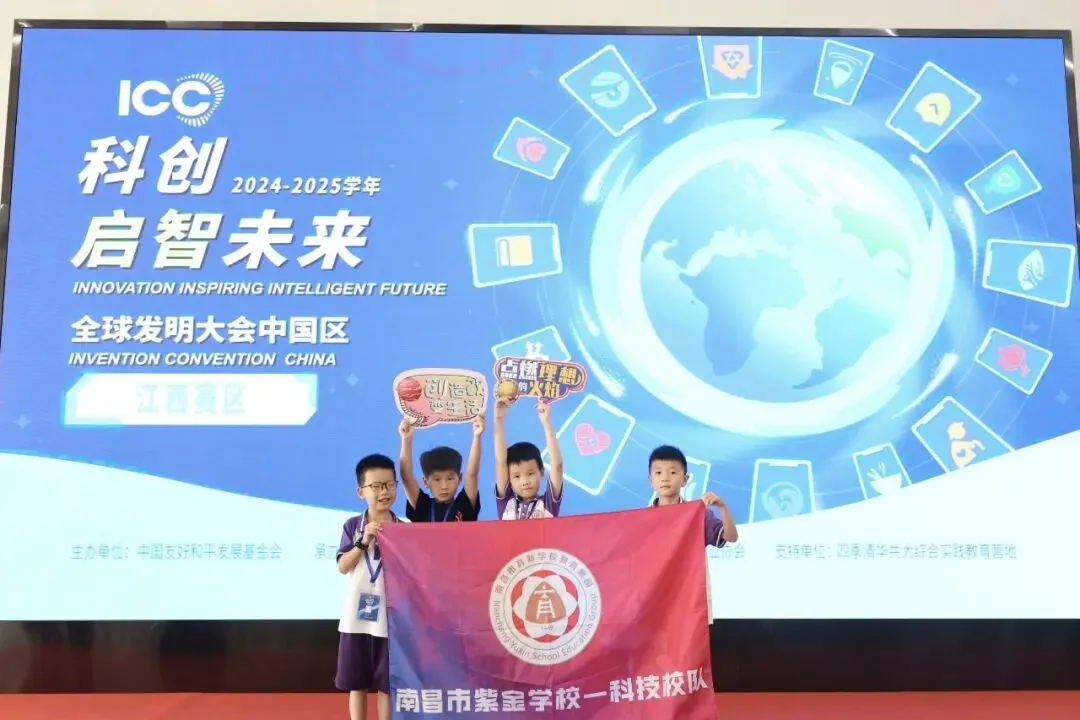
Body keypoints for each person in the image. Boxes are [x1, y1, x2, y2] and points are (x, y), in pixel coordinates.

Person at [335, 453, 399, 720]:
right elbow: (343, 566)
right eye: (376, 486)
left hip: (390, 619)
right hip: (356, 619)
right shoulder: (353, 525)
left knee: (387, 685)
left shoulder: (405, 527)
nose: (384, 492)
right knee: (357, 683)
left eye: (390, 484)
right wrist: (363, 541)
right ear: (361, 492)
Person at [648, 444, 739, 546]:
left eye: (672, 472)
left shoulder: (698, 514)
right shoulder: (643, 519)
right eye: (658, 472)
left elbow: (731, 537)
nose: (665, 478)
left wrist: (723, 507)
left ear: (685, 480)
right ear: (650, 481)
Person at [398, 415, 483, 522]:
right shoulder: (423, 506)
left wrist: (477, 436)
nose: (444, 486)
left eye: (450, 478)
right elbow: (406, 477)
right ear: (426, 481)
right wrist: (406, 440)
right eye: (437, 479)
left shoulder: (464, 505)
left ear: (460, 478)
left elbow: (472, 474)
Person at [493, 397, 564, 519]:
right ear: (509, 478)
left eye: (530, 473)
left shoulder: (548, 504)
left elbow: (557, 466)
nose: (525, 481)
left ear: (542, 472)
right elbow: (501, 462)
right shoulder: (506, 502)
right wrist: (499, 419)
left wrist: (547, 424)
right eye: (517, 476)